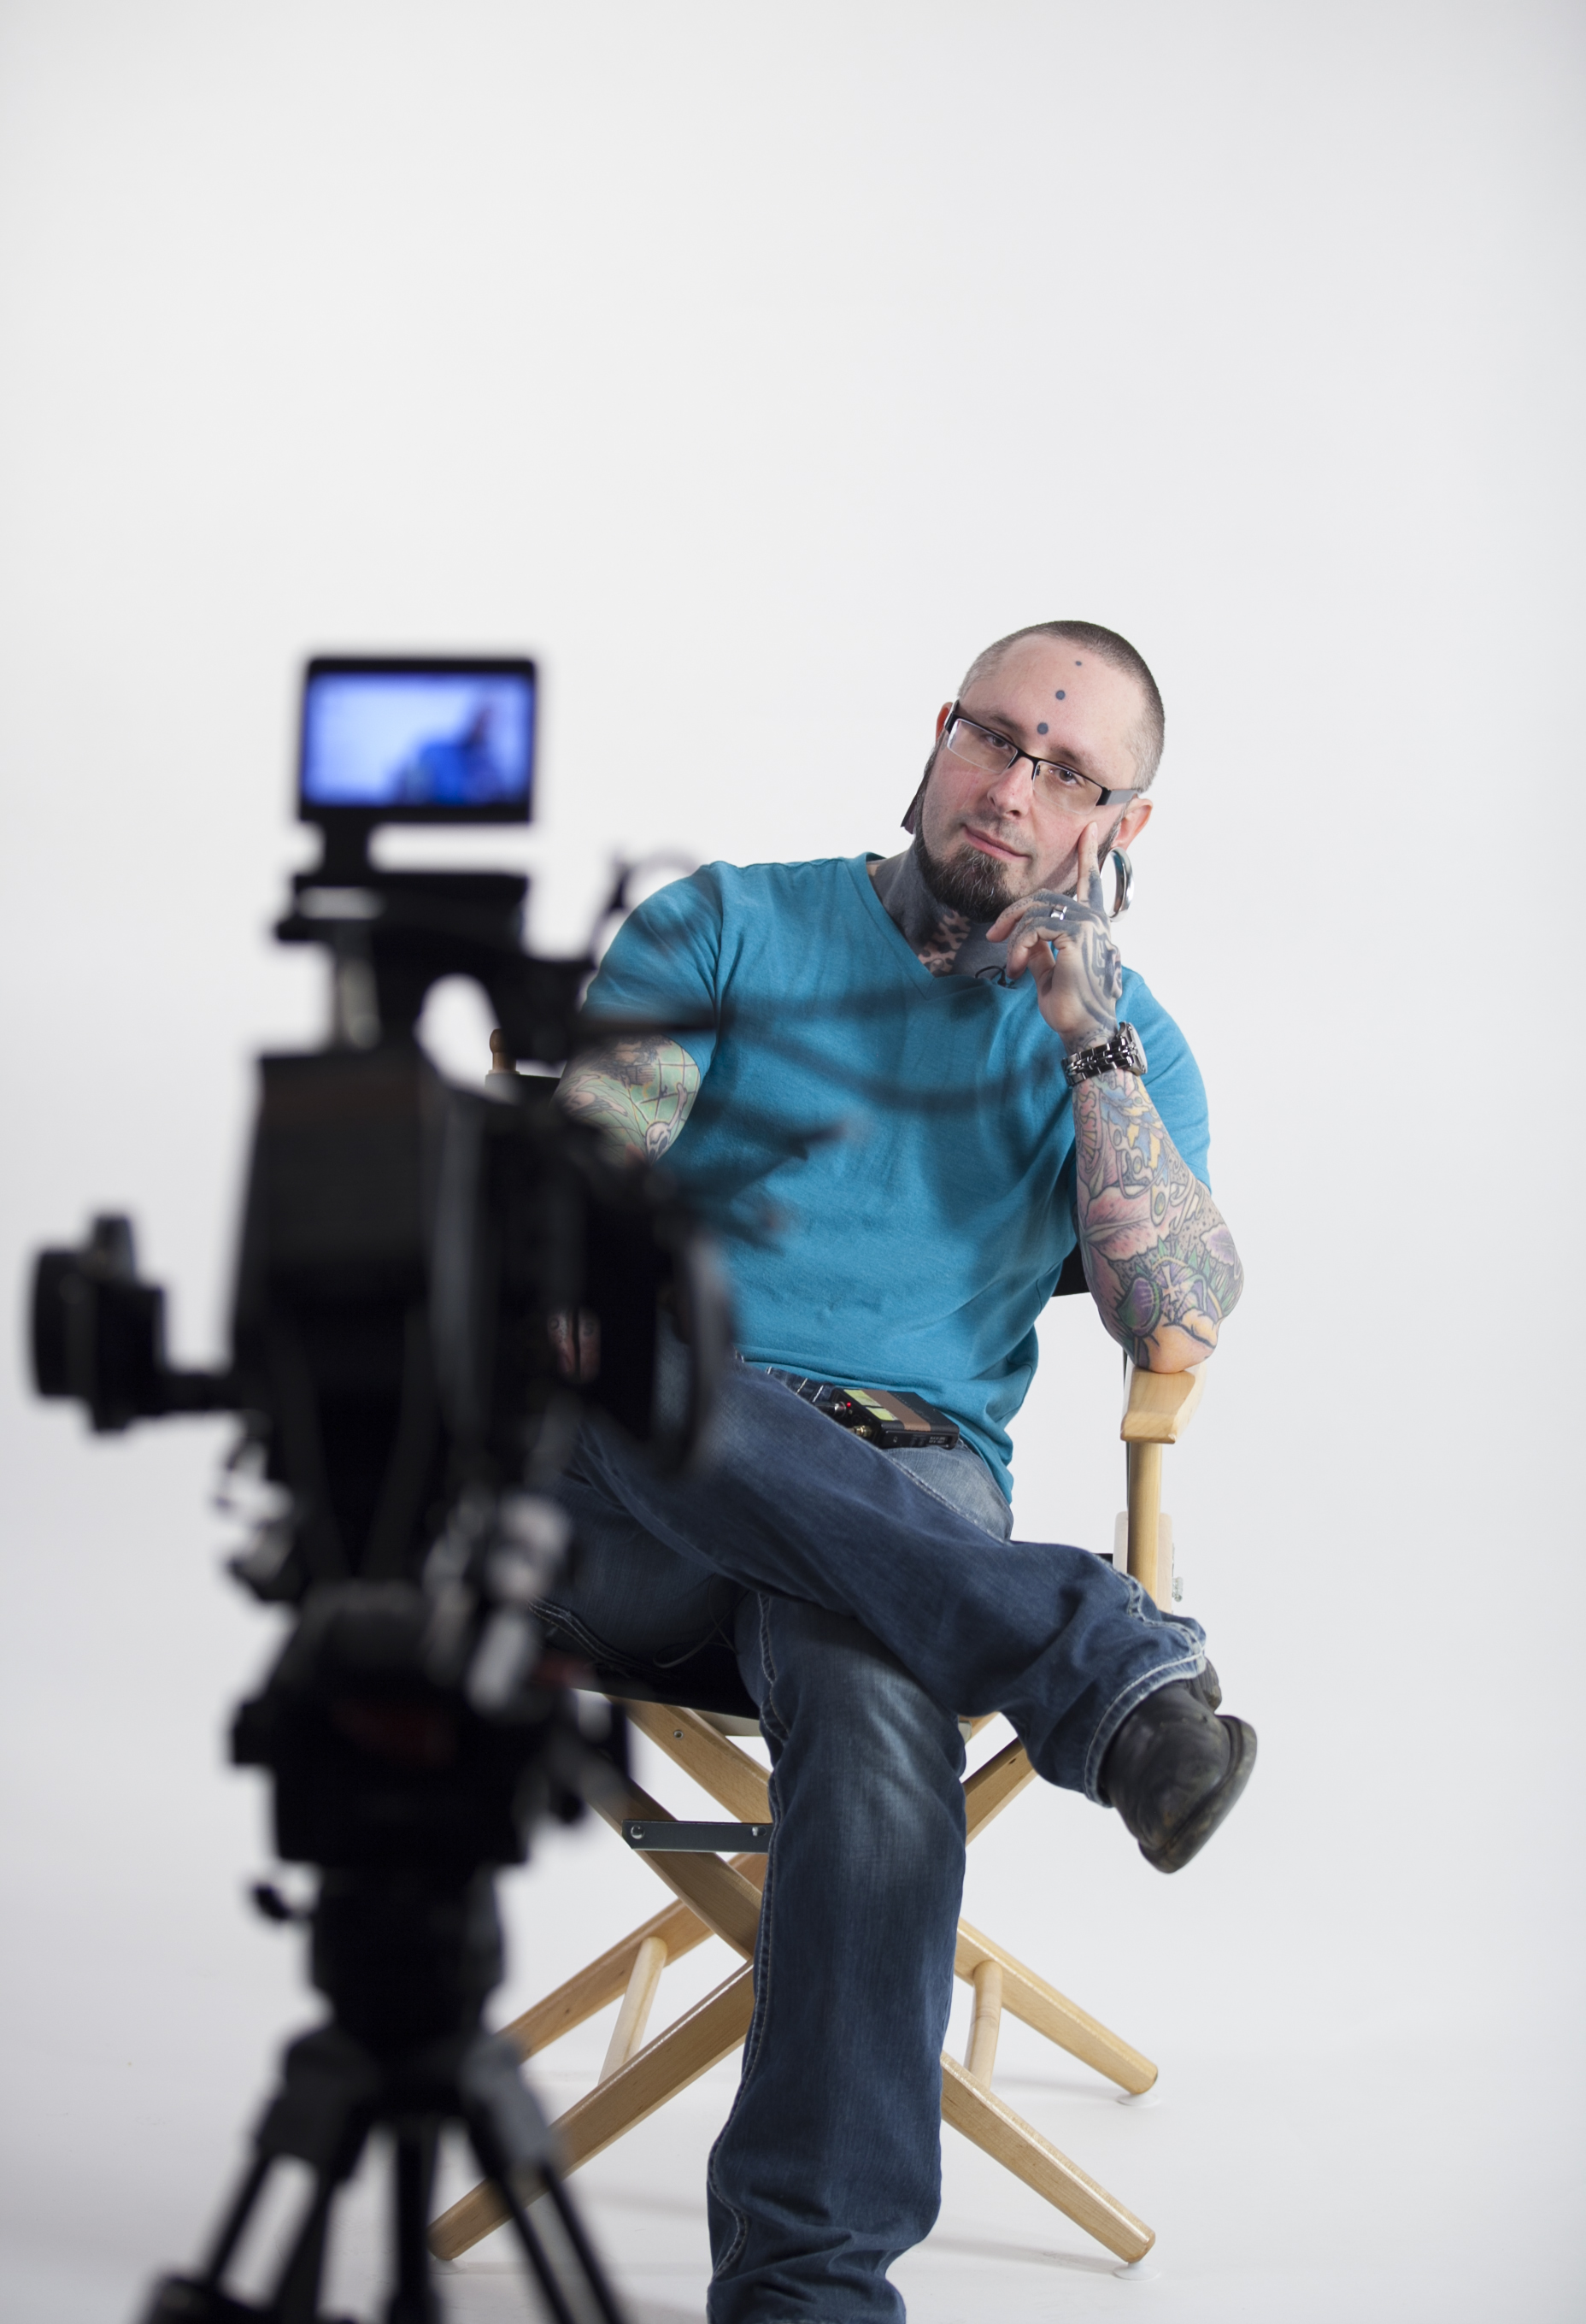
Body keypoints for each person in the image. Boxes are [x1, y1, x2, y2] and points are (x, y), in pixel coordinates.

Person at [543, 619, 1254, 2324]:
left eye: (1066, 772)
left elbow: (1178, 1316)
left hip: (903, 1489)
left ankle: (806, 2295)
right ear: (939, 735)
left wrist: (1088, 1043)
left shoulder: (1127, 1044)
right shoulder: (725, 925)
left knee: (872, 1695)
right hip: (636, 1482)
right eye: (992, 737)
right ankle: (1093, 1662)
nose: (1011, 786)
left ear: (1122, 829)